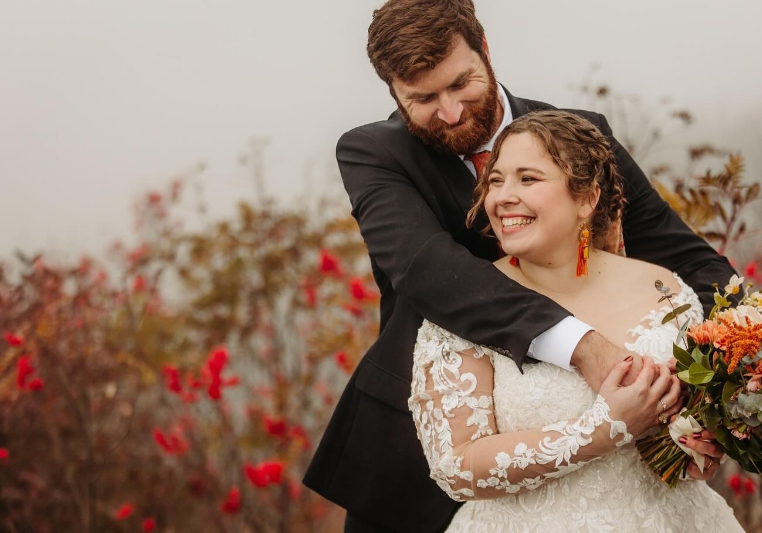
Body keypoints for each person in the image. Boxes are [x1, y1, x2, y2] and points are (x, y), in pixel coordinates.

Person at [303, 1, 737, 531]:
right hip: (417, 459)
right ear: (394, 92)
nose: (450, 112)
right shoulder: (374, 153)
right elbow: (426, 269)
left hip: (616, 476)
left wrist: (728, 381)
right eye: (423, 98)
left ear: (484, 50)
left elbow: (688, 259)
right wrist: (583, 347)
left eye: (460, 84)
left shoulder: (583, 134)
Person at [409, 110, 743, 532]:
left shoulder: (664, 288)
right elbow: (454, 466)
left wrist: (700, 443)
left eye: (528, 179)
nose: (503, 197)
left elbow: (699, 418)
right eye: (495, 181)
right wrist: (603, 429)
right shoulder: (466, 304)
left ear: (586, 198)